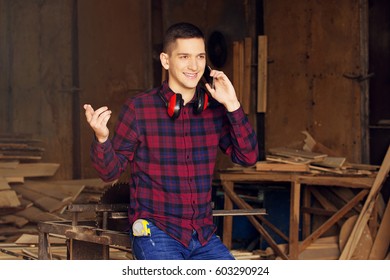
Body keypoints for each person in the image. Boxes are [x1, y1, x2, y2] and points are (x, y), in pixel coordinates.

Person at [84, 22, 258, 260]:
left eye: (200, 57)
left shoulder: (215, 109)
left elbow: (248, 157)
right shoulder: (139, 109)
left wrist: (233, 105)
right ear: (166, 60)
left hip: (203, 235)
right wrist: (102, 139)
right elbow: (109, 172)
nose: (194, 66)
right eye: (184, 56)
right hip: (156, 232)